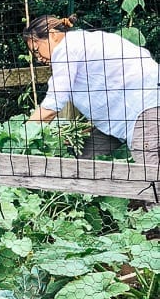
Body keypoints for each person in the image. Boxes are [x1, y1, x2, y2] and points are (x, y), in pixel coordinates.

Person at [23, 14, 160, 187]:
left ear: (52, 34)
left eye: (37, 50)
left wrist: (23, 133)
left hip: (143, 107)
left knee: (150, 179)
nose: (38, 58)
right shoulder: (79, 42)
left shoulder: (65, 49)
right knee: (84, 156)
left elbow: (54, 103)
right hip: (125, 114)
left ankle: (153, 211)